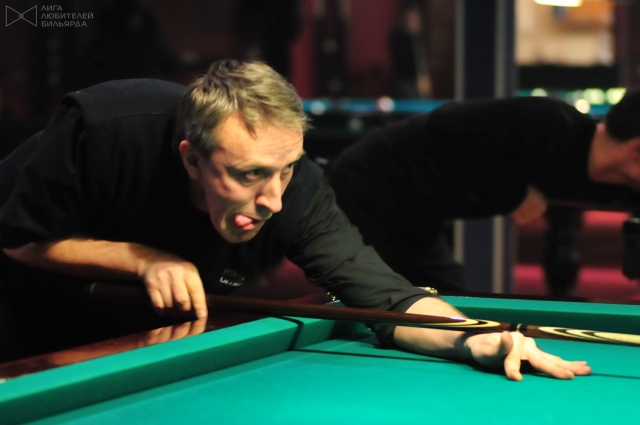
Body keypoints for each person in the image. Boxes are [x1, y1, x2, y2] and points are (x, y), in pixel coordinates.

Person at [0, 60, 590, 381]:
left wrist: (477, 338)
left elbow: (387, 298)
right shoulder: (108, 131)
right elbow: (16, 236)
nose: (274, 199)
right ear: (192, 158)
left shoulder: (299, 191)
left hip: (119, 320)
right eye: (250, 174)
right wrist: (141, 259)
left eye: (285, 169)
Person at [327, 90, 640, 295]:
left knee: (452, 304)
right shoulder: (551, 122)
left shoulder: (612, 180)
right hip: (370, 186)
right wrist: (514, 194)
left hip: (419, 218)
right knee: (379, 304)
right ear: (636, 150)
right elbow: (448, 125)